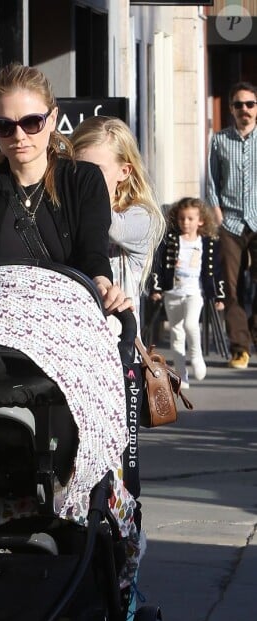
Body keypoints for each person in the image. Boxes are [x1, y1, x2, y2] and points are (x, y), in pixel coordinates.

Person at [0, 63, 131, 314]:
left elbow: (93, 254)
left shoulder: (83, 179)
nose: (19, 136)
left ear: (52, 119)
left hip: (67, 324)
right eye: (4, 126)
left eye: (31, 122)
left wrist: (102, 283)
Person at [70, 115, 165, 509]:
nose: (85, 181)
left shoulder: (142, 217)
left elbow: (107, 226)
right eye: (79, 171)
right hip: (76, 343)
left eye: (94, 172)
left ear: (125, 171)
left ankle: (120, 541)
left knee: (118, 460)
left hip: (117, 350)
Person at [207, 80, 257, 369]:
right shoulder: (219, 140)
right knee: (231, 287)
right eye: (239, 104)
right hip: (231, 222)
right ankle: (240, 347)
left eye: (249, 104)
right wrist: (217, 214)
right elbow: (212, 181)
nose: (244, 109)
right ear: (231, 108)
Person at [150, 197, 225, 387]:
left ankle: (196, 356)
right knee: (176, 334)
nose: (186, 223)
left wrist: (219, 296)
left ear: (200, 220)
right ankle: (182, 375)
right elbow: (158, 265)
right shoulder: (171, 241)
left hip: (194, 294)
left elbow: (216, 271)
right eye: (182, 218)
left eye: (190, 219)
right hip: (172, 293)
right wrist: (157, 288)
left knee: (191, 324)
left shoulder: (207, 243)